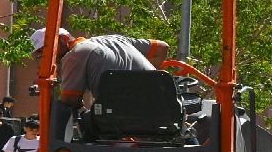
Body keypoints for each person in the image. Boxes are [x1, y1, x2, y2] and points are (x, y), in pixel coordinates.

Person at [29, 28, 170, 140]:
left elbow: (70, 101)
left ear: (64, 39)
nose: (47, 57)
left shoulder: (74, 56)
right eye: (42, 54)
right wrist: (149, 80)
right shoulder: (112, 39)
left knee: (63, 110)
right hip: (164, 109)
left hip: (121, 118)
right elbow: (162, 48)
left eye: (48, 50)